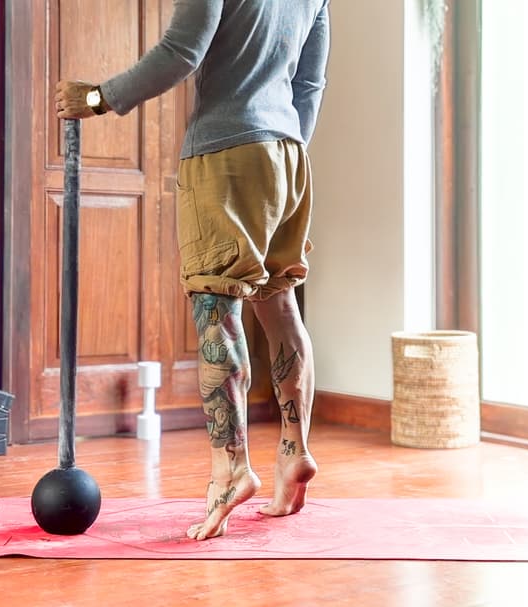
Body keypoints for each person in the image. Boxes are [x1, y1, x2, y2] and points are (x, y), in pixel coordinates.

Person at [55, 0, 330, 541]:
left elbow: (181, 52)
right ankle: (294, 451)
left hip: (226, 153)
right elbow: (310, 84)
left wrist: (98, 98)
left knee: (216, 309)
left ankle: (231, 471)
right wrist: (281, 145)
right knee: (279, 303)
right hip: (289, 153)